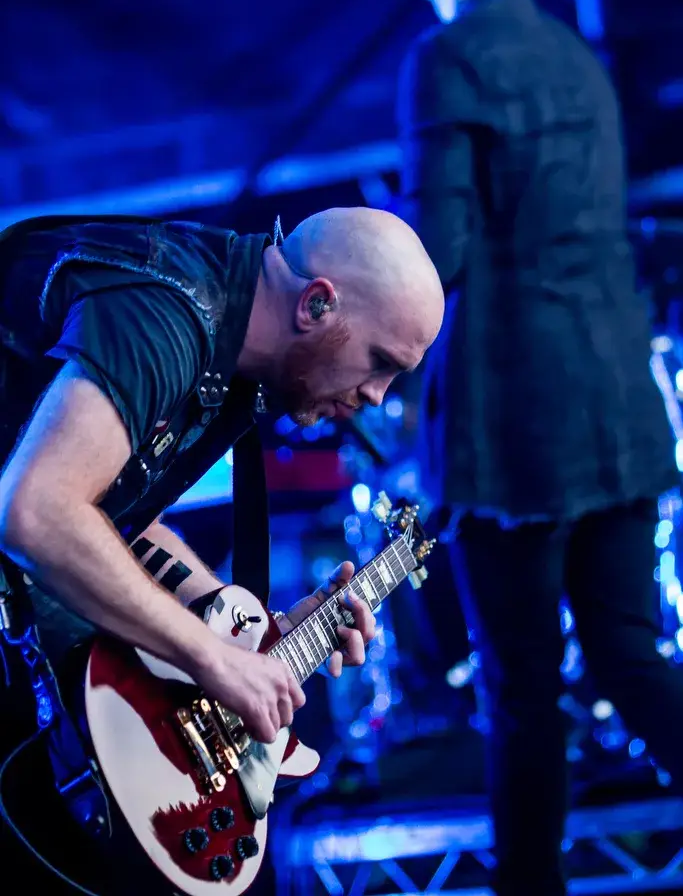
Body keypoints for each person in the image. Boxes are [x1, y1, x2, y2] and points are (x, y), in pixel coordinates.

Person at [0, 205, 444, 892]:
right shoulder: (165, 313)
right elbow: (37, 511)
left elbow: (112, 517)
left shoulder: (234, 356)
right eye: (380, 363)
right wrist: (208, 657)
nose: (375, 396)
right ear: (317, 304)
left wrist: (245, 636)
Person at [390, 0, 682, 894]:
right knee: (630, 659)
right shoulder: (574, 54)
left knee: (518, 694)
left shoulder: (443, 58)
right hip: (616, 413)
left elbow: (437, 259)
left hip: (514, 430)